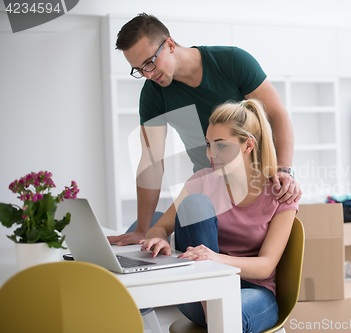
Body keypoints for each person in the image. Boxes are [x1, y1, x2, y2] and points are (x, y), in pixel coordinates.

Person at [108, 13, 301, 246]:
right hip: (207, 189)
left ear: (169, 44)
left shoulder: (232, 62)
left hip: (253, 187)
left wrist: (283, 170)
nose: (148, 75)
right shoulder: (153, 93)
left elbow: (278, 114)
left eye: (149, 63)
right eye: (139, 70)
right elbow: (151, 160)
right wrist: (142, 228)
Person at [140, 99, 298, 332]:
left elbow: (265, 266)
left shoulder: (280, 194)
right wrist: (160, 238)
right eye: (209, 144)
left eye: (221, 145)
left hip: (253, 291)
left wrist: (214, 258)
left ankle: (218, 315)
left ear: (248, 145)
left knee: (231, 315)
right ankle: (214, 311)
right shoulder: (201, 182)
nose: (211, 153)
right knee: (195, 203)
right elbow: (159, 228)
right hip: (199, 292)